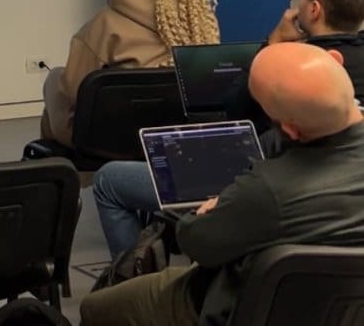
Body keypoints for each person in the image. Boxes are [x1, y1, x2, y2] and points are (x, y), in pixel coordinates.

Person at [93, 0, 364, 259]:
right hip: (325, 210)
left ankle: (129, 274)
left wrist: (274, 42)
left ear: (313, 10)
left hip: (251, 186)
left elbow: (234, 109)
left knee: (109, 181)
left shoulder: (285, 68)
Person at [80, 42, 364, 326]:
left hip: (239, 307)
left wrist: (211, 210)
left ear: (290, 129)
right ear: (336, 61)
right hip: (341, 309)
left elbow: (196, 245)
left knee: (95, 308)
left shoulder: (266, 191)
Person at [41, 0, 219, 146]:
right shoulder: (200, 25)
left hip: (108, 142)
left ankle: (47, 161)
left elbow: (74, 91)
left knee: (54, 80)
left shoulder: (105, 24)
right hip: (177, 137)